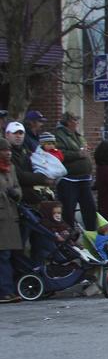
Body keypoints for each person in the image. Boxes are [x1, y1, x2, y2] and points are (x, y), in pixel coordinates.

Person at [54, 112, 97, 230]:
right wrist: (79, 154)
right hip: (69, 180)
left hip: (84, 179)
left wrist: (85, 151)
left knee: (90, 208)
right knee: (68, 210)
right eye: (75, 120)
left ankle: (92, 236)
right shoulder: (59, 135)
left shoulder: (78, 135)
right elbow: (59, 153)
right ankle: (69, 239)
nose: (77, 122)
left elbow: (83, 149)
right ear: (68, 121)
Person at [7, 121, 52, 208]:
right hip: (15, 198)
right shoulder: (6, 153)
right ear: (7, 134)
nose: (18, 136)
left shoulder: (26, 151)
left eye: (21, 133)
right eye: (15, 133)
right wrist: (43, 178)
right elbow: (19, 176)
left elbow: (36, 167)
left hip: (31, 195)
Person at [0, 137, 22, 303]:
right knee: (3, 255)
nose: (8, 153)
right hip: (2, 216)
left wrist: (16, 193)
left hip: (10, 216)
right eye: (4, 150)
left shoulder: (11, 168)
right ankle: (5, 291)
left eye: (9, 150)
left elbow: (17, 187)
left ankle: (8, 289)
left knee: (8, 254)